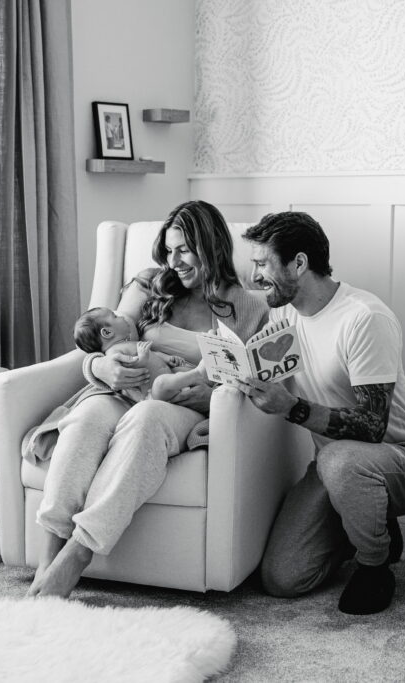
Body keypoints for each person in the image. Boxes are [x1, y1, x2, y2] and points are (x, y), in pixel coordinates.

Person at [25, 200, 269, 598]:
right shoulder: (149, 285)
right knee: (85, 419)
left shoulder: (246, 307)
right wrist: (101, 369)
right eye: (169, 251)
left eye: (185, 250)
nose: (175, 262)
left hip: (181, 408)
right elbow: (98, 344)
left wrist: (211, 396)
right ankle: (47, 559)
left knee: (148, 418)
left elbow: (246, 380)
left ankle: (79, 554)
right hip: (120, 392)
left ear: (212, 246)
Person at [236, 211, 405, 615]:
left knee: (339, 459)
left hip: (399, 462)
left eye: (263, 264)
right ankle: (365, 523)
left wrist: (294, 408)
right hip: (335, 467)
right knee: (283, 578)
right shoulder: (284, 314)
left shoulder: (364, 318)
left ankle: (376, 566)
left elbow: (373, 427)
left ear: (298, 263)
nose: (255, 277)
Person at [71, 306, 206, 402]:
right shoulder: (114, 353)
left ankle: (206, 379)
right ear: (107, 332)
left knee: (181, 371)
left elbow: (154, 354)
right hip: (152, 394)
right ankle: (199, 373)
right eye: (115, 316)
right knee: (161, 383)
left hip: (170, 377)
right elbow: (131, 368)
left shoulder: (129, 344)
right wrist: (141, 358)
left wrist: (167, 358)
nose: (122, 317)